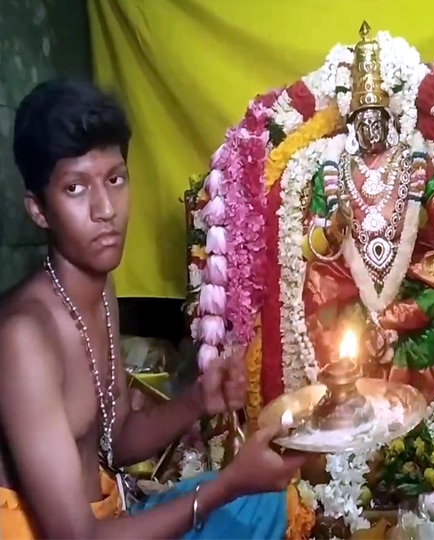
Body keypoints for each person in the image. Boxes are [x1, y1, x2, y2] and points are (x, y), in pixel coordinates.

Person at [0, 79, 307, 539]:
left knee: (265, 502)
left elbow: (118, 437)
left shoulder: (98, 291)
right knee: (242, 497)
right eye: (75, 188)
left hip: (110, 516)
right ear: (39, 210)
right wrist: (225, 486)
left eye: (115, 179)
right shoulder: (24, 339)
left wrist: (199, 400)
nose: (105, 209)